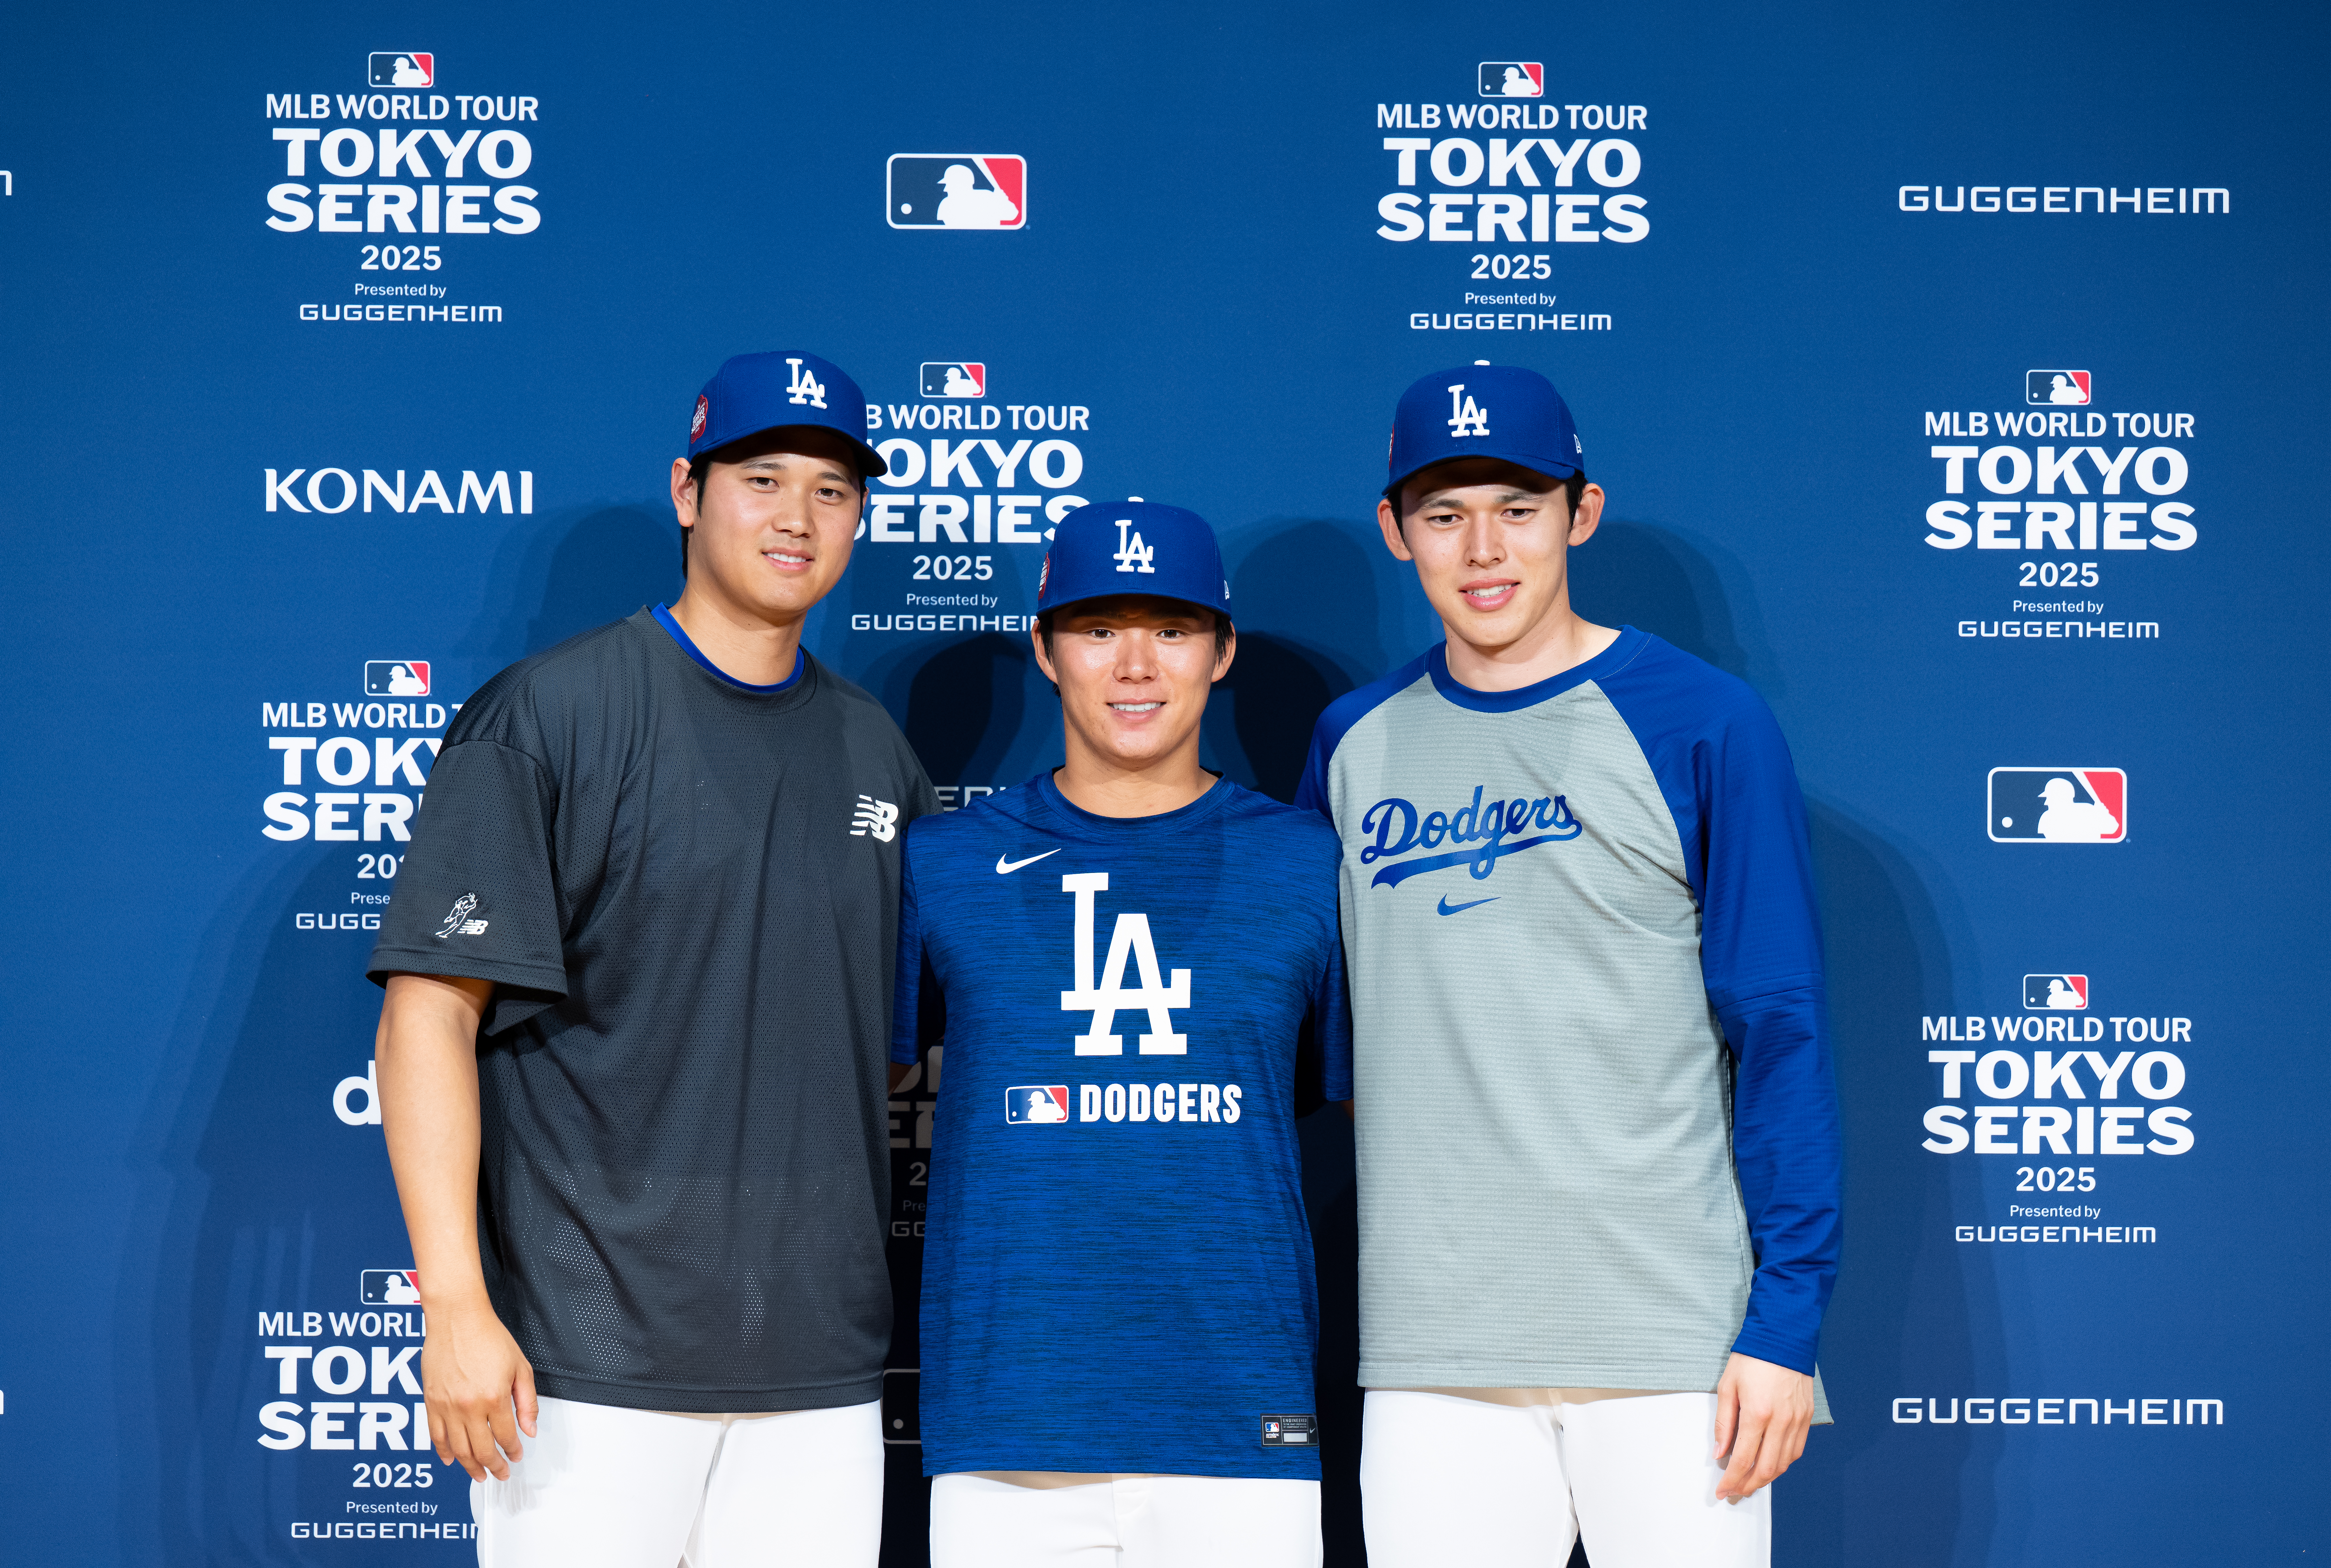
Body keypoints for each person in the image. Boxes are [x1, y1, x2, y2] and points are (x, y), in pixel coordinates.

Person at [365, 349, 936, 1568]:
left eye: (832, 491)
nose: (796, 517)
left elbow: (882, 1059)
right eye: (762, 477)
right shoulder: (551, 714)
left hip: (820, 1367)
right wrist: (455, 1306)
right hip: (584, 1364)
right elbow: (428, 1015)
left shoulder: (875, 753)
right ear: (687, 491)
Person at [1296, 363, 1842, 1566]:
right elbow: (1328, 1048)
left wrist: (1785, 1321)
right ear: (1395, 533)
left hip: (1674, 1351)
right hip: (1434, 1355)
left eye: (1518, 507)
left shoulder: (1702, 721)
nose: (1483, 548)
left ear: (1579, 515)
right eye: (1443, 514)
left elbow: (1780, 1030)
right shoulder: (1351, 744)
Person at [893, 501, 1348, 1568]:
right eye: (1098, 629)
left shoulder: (1307, 862)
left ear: (1222, 650)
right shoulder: (943, 860)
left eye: (1173, 629)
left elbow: (1396, 1117)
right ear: (1045, 648)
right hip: (1009, 1426)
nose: (1135, 665)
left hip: (1242, 1421)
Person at [2035, 775, 2118, 840]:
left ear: (2063, 797)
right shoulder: (2047, 818)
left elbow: (2113, 828)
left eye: (2051, 798)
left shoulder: (2088, 810)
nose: (2046, 803)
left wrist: (2102, 816)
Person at [936, 163, 1019, 228]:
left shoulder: (987, 197)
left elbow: (1013, 215)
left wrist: (1003, 202)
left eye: (950, 185)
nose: (945, 189)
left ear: (962, 184)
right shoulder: (947, 204)